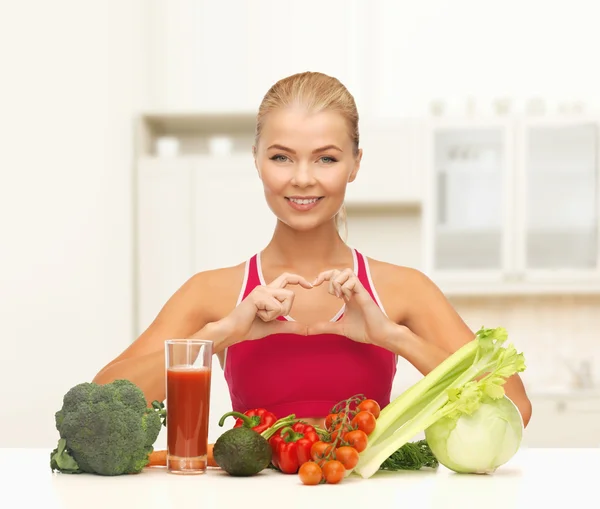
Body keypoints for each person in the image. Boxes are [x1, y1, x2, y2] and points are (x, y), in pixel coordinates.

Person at [93, 71, 532, 429]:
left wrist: (394, 337)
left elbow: (514, 406)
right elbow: (100, 404)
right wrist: (219, 335)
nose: (302, 178)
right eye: (282, 157)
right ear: (256, 160)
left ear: (355, 164)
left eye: (326, 158)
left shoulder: (402, 289)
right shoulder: (214, 292)